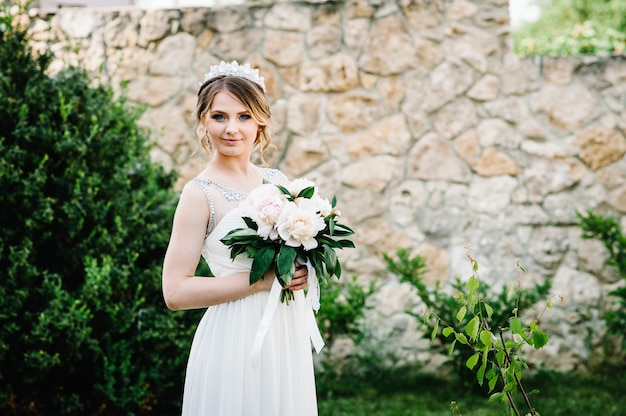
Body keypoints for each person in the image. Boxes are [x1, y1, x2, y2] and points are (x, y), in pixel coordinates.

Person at [161, 61, 321, 415]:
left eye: (244, 116)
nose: (232, 128)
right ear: (204, 120)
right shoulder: (198, 194)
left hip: (284, 333)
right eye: (219, 116)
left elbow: (290, 255)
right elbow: (175, 293)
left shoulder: (278, 182)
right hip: (232, 335)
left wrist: (300, 270)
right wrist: (261, 282)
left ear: (260, 121)